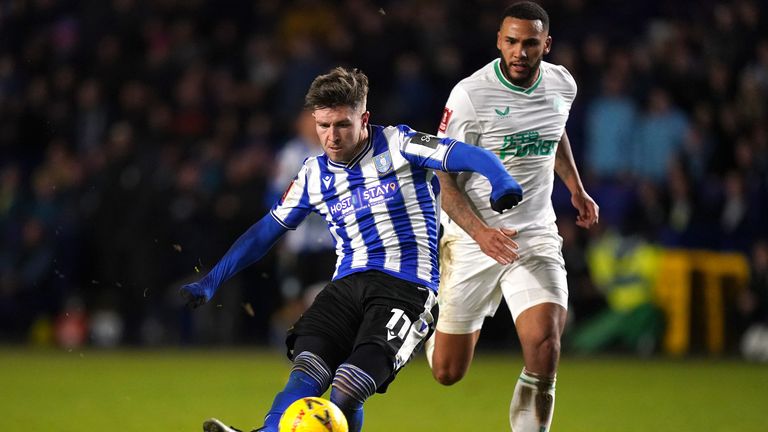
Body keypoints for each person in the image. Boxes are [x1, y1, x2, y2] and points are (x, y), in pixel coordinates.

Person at [180, 66, 523, 432]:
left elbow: (467, 154)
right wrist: (211, 280)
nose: (332, 136)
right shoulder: (313, 174)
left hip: (405, 288)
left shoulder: (400, 144)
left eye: (342, 124)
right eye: (323, 126)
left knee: (346, 388)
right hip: (345, 286)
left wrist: (501, 180)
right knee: (305, 374)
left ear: (365, 118)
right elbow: (264, 233)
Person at [427, 3, 599, 431]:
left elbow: (553, 132)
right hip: (472, 239)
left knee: (545, 344)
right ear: (499, 42)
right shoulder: (470, 95)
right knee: (448, 372)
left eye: (530, 43)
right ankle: (429, 315)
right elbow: (444, 183)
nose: (519, 52)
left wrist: (575, 188)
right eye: (511, 42)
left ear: (546, 44)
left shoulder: (562, 84)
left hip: (534, 233)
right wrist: (482, 233)